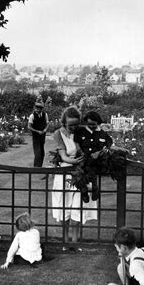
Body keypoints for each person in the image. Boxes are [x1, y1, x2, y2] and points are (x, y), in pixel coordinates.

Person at [51, 106, 97, 247]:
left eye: (76, 124)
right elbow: (64, 156)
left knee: (78, 205)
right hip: (64, 174)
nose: (74, 127)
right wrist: (75, 161)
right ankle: (65, 241)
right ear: (63, 123)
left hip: (80, 173)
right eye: (70, 125)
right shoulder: (58, 134)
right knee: (63, 206)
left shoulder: (82, 132)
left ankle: (75, 242)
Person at [75, 110, 113, 201]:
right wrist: (80, 152)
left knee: (91, 164)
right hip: (83, 158)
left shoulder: (102, 133)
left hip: (97, 161)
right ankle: (89, 188)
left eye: (94, 124)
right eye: (89, 124)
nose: (91, 126)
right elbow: (76, 143)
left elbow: (108, 145)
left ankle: (89, 189)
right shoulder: (81, 131)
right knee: (80, 169)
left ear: (98, 123)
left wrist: (99, 153)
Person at [27, 100, 49, 167]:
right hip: (36, 136)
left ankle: (40, 166)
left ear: (41, 109)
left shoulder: (45, 115)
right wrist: (37, 131)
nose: (36, 109)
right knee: (37, 153)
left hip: (42, 136)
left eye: (38, 108)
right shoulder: (32, 116)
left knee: (42, 152)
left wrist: (45, 129)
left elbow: (48, 124)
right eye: (36, 108)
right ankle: (36, 167)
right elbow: (29, 127)